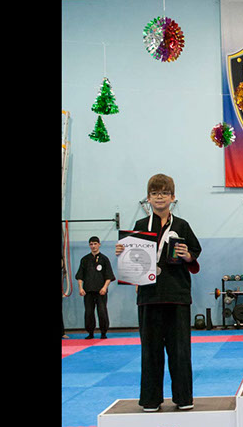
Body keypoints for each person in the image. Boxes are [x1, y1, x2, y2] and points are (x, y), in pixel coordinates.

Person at [115, 174, 202, 412]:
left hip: (177, 295)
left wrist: (187, 255)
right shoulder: (141, 226)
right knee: (150, 350)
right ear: (148, 198)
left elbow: (195, 253)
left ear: (173, 197)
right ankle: (151, 399)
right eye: (155, 193)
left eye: (164, 193)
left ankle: (183, 398)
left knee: (180, 350)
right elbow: (132, 259)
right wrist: (122, 252)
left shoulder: (182, 225)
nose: (159, 197)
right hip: (149, 296)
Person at [75, 236, 115, 339]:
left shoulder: (104, 259)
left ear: (99, 245)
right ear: (89, 245)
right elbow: (80, 276)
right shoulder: (85, 260)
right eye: (91, 244)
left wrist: (104, 288)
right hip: (88, 291)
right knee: (89, 312)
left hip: (101, 291)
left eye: (95, 244)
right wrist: (80, 288)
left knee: (102, 311)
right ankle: (90, 333)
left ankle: (103, 332)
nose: (93, 246)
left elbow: (109, 276)